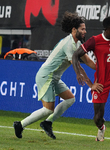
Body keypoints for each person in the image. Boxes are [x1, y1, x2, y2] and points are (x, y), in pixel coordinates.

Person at [13, 11, 103, 139]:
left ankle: (48, 123)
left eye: (85, 29)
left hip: (54, 78)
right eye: (82, 29)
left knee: (70, 99)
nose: (85, 32)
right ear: (74, 29)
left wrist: (103, 68)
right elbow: (77, 66)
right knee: (48, 109)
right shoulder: (69, 44)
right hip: (46, 76)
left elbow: (88, 61)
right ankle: (20, 125)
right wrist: (91, 85)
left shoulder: (77, 43)